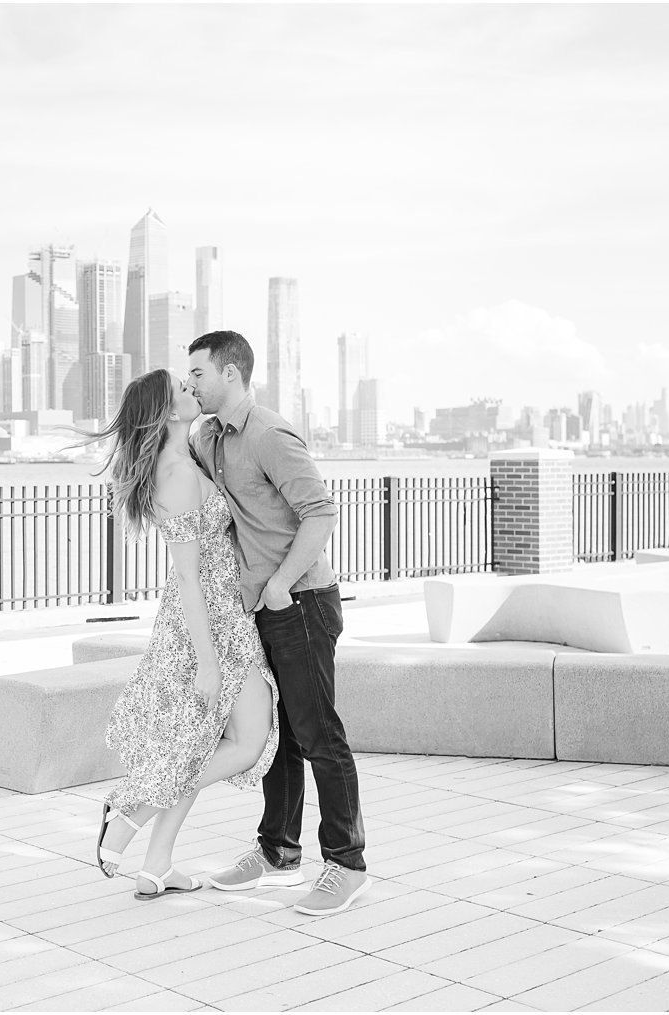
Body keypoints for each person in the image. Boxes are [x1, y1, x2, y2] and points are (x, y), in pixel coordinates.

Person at [186, 330, 369, 917]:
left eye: (198, 374)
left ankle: (346, 864)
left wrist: (279, 585)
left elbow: (321, 510)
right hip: (263, 606)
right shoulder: (208, 438)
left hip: (302, 602)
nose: (191, 383)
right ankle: (277, 852)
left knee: (319, 735)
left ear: (231, 374)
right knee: (280, 735)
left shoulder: (269, 435)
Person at [81, 368, 280, 901]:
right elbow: (189, 575)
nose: (194, 392)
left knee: (199, 745)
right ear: (168, 411)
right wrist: (210, 661)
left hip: (214, 616)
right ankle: (130, 811)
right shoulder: (179, 473)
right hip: (210, 623)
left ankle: (156, 865)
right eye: (183, 391)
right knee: (246, 741)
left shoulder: (187, 457)